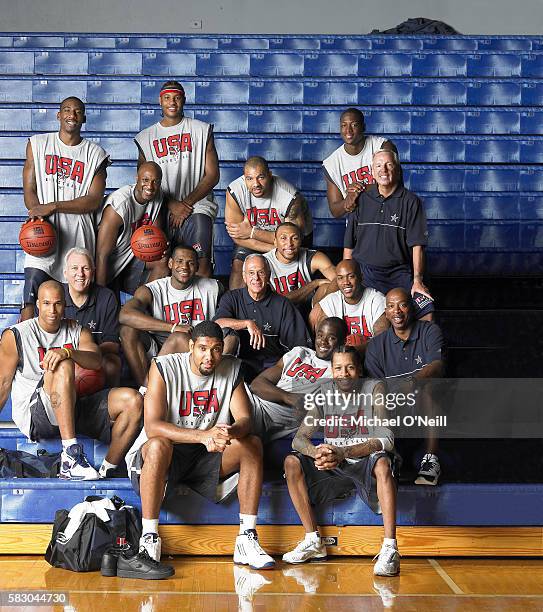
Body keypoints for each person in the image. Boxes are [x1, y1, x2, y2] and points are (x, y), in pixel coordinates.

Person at [125, 321, 275, 570]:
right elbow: (153, 426)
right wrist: (203, 436)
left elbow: (245, 419)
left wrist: (230, 431)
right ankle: (149, 538)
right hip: (167, 455)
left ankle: (247, 538)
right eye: (203, 349)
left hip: (207, 454)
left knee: (252, 445)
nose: (210, 356)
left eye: (216, 349)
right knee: (156, 445)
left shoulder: (232, 368)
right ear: (191, 346)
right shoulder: (164, 367)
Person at [0, 280, 142, 480]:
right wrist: (64, 357)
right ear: (38, 304)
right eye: (47, 303)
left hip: (73, 403)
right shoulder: (16, 335)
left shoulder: (77, 330)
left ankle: (109, 468)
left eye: (57, 303)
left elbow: (96, 359)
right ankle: (70, 456)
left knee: (133, 400)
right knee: (63, 364)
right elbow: (3, 383)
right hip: (37, 415)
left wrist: (68, 351)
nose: (52, 310)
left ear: (65, 304)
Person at [283, 346, 401, 576]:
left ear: (358, 370)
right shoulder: (324, 391)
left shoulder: (374, 388)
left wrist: (343, 452)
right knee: (292, 462)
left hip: (365, 461)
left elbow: (387, 438)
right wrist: (319, 453)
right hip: (335, 464)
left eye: (349, 367)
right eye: (338, 368)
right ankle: (312, 540)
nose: (343, 373)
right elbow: (299, 440)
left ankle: (390, 549)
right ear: (331, 370)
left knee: (383, 464)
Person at [21, 96, 109, 321]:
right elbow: (29, 188)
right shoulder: (38, 144)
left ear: (84, 118)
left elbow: (94, 200)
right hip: (43, 233)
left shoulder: (95, 154)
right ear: (58, 115)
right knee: (30, 306)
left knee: (70, 310)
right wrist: (37, 214)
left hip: (78, 234)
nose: (72, 115)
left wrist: (53, 206)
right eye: (67, 110)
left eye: (78, 111)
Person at [134, 80, 219, 277]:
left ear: (184, 100)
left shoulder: (201, 130)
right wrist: (172, 204)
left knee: (201, 265)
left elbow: (213, 175)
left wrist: (186, 204)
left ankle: (200, 307)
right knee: (163, 265)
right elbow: (143, 181)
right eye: (167, 98)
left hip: (197, 205)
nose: (172, 102)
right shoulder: (145, 137)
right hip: (161, 207)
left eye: (177, 98)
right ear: (160, 101)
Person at [365, 288, 445, 485]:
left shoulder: (429, 331)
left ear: (411, 307)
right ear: (386, 312)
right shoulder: (376, 345)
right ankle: (393, 459)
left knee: (426, 388)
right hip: (394, 404)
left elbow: (437, 365)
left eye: (402, 305)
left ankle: (431, 461)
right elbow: (376, 387)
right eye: (391, 306)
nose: (397, 311)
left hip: (426, 401)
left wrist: (412, 383)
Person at [344, 149, 434, 320]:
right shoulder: (360, 199)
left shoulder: (411, 202)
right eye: (378, 165)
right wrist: (347, 274)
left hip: (398, 273)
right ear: (372, 171)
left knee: (427, 312)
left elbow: (418, 246)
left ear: (398, 170)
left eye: (388, 165)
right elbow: (349, 245)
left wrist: (417, 280)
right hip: (365, 273)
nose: (383, 170)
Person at [119, 245, 227, 387]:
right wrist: (173, 327)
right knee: (127, 330)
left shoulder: (213, 287)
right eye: (180, 261)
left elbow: (231, 310)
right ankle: (145, 387)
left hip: (192, 349)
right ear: (170, 263)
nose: (185, 267)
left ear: (197, 267)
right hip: (157, 347)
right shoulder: (152, 289)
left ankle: (149, 387)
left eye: (191, 263)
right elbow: (125, 315)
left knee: (179, 337)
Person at [214, 254, 312, 382]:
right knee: (228, 334)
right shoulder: (231, 298)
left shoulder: (283, 305)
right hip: (238, 364)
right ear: (244, 276)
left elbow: (300, 347)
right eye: (251, 273)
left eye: (261, 272)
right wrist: (247, 323)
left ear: (269, 275)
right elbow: (218, 323)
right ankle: (220, 382)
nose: (256, 278)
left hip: (272, 367)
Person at [248, 317, 348, 442]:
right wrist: (287, 397)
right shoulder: (299, 352)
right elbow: (257, 384)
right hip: (252, 402)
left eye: (331, 338)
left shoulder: (339, 373)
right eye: (320, 335)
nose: (323, 342)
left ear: (343, 342)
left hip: (269, 416)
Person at [225, 156, 312, 289]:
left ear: (270, 175)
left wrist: (252, 232)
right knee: (240, 267)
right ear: (244, 178)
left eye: (261, 177)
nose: (256, 184)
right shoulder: (235, 191)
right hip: (261, 241)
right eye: (249, 179)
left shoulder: (289, 197)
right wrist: (274, 250)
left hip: (292, 241)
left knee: (286, 279)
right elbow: (237, 237)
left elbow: (290, 241)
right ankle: (236, 308)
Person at [95, 161, 169, 296]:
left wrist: (161, 246)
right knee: (109, 308)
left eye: (155, 182)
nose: (150, 186)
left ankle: (145, 307)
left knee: (163, 262)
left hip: (131, 258)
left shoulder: (158, 196)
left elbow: (156, 236)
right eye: (145, 180)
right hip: (108, 264)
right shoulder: (119, 207)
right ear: (137, 179)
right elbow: (101, 255)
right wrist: (101, 298)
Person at [62, 248, 121, 387]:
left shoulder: (107, 297)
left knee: (113, 363)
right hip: (62, 359)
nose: (80, 274)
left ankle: (105, 405)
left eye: (86, 268)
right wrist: (70, 356)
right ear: (65, 273)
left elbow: (113, 344)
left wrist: (85, 357)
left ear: (93, 273)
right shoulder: (55, 298)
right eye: (74, 268)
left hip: (96, 358)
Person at [323, 108, 396, 219]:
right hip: (358, 226)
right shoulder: (332, 163)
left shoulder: (382, 147)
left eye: (354, 125)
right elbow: (335, 210)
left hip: (388, 218)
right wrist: (347, 201)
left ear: (363, 127)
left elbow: (396, 185)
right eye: (344, 125)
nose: (348, 131)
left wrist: (361, 190)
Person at [309, 260, 389, 343]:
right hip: (340, 353)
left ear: (361, 277)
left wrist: (361, 346)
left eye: (351, 276)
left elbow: (381, 340)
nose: (346, 282)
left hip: (371, 353)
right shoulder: (331, 302)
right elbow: (324, 342)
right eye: (340, 278)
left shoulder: (377, 300)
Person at [263, 223, 336, 307]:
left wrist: (317, 312)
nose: (289, 244)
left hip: (308, 310)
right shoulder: (263, 262)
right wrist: (315, 283)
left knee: (326, 287)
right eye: (283, 238)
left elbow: (338, 280)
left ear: (300, 241)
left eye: (295, 238)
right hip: (278, 312)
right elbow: (277, 303)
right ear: (275, 241)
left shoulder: (313, 257)